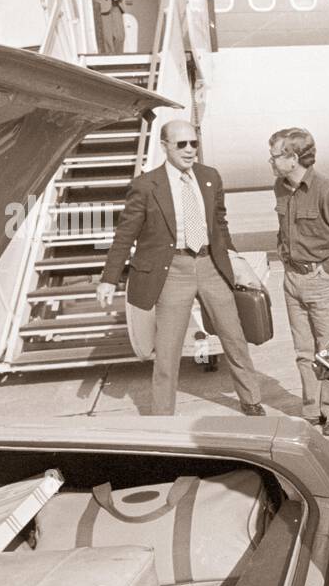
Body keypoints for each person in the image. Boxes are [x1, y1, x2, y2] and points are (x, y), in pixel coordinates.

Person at [97, 120, 265, 416]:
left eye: (193, 143)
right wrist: (109, 278)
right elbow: (126, 234)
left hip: (211, 265)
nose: (189, 150)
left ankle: (251, 401)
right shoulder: (146, 185)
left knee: (234, 338)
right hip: (173, 270)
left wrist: (235, 261)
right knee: (168, 349)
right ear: (165, 146)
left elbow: (220, 225)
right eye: (181, 144)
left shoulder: (209, 177)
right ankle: (163, 414)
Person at [270, 127, 329, 436]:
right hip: (293, 278)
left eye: (275, 155)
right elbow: (284, 228)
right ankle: (312, 409)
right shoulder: (280, 187)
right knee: (303, 351)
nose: (270, 161)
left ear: (293, 158)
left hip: (322, 280)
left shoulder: (328, 190)